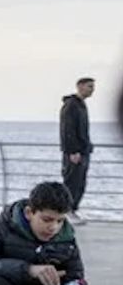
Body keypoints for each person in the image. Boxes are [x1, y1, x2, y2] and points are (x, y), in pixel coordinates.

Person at [59, 76, 94, 223]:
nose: (92, 90)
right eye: (89, 86)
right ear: (79, 86)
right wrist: (72, 150)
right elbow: (67, 130)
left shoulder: (81, 105)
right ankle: (66, 210)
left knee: (80, 182)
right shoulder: (71, 105)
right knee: (72, 181)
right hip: (75, 152)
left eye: (92, 87)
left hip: (83, 151)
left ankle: (72, 210)